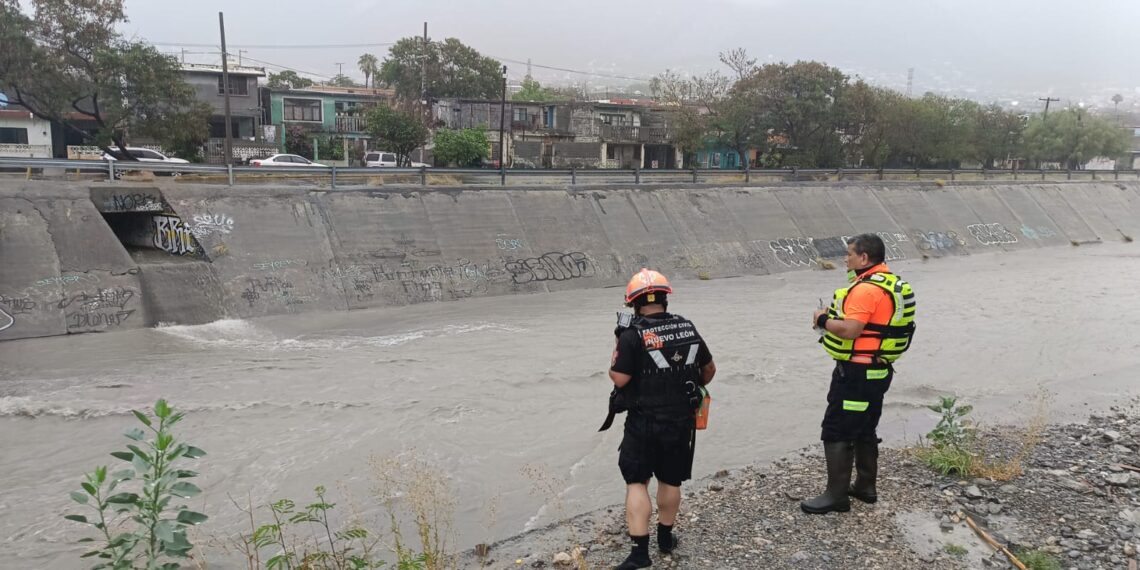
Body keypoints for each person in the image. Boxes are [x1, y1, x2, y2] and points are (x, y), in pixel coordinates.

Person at [606, 268, 716, 569]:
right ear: (665, 299)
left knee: (637, 481)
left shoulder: (631, 335)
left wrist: (618, 343)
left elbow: (620, 378)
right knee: (670, 478)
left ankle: (640, 554)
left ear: (634, 303)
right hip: (681, 421)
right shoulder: (687, 327)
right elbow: (709, 370)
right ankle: (666, 539)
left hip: (643, 422)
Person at [802, 234, 916, 515]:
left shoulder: (865, 290)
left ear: (864, 258)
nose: (845, 258)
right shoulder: (889, 283)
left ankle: (836, 496)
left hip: (856, 372)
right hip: (878, 370)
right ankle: (865, 486)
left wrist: (822, 319)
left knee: (837, 429)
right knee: (865, 427)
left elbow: (852, 330)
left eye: (849, 253)